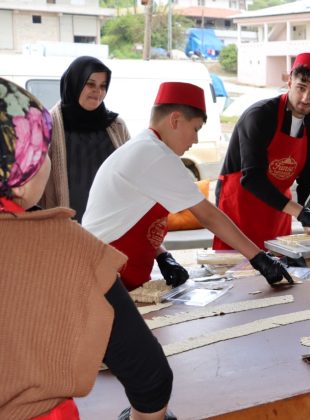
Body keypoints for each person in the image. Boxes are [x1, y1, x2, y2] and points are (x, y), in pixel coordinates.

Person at [0, 78, 174, 420]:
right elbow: (151, 378)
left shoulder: (116, 127)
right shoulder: (65, 246)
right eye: (43, 152)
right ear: (21, 167)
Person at [82, 82, 292, 292]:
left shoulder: (145, 147)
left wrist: (162, 255)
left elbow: (128, 216)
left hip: (116, 271)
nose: (196, 139)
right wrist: (258, 258)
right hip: (104, 272)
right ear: (175, 120)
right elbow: (208, 216)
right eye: (195, 129)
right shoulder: (156, 155)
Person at [213, 52, 310, 251]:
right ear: (290, 82)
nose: (306, 98)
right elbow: (252, 178)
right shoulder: (260, 115)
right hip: (240, 205)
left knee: (278, 262)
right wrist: (301, 213)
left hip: (278, 210)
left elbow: (307, 181)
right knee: (237, 266)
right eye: (301, 88)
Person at [40, 56, 131, 222]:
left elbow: (131, 173)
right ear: (74, 83)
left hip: (110, 225)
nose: (98, 91)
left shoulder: (117, 126)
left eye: (103, 86)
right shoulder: (46, 126)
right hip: (64, 227)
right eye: (90, 84)